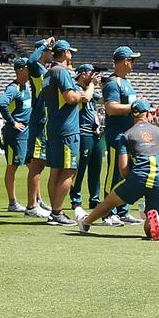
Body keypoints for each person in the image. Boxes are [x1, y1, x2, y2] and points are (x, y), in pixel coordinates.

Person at [76, 100, 159, 241]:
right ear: (148, 114)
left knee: (109, 202)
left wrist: (133, 184)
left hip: (139, 178)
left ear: (132, 116)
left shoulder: (127, 135)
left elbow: (123, 168)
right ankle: (151, 220)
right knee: (150, 232)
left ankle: (85, 222)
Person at [41, 42, 96, 225]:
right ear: (65, 53)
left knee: (55, 170)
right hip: (67, 129)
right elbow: (71, 98)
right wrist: (87, 91)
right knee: (69, 170)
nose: (71, 55)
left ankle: (54, 211)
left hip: (54, 127)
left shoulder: (49, 72)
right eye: (70, 52)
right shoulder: (62, 72)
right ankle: (57, 212)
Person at [102, 46, 144, 226]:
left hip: (128, 136)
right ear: (125, 61)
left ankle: (122, 210)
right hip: (117, 135)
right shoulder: (113, 83)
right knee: (114, 175)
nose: (133, 63)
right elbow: (111, 108)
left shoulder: (126, 82)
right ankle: (106, 213)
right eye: (132, 60)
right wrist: (135, 107)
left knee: (128, 174)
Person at [22, 37, 57, 219]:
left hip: (45, 120)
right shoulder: (36, 68)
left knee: (40, 164)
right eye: (49, 51)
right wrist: (45, 44)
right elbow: (30, 61)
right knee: (36, 164)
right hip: (39, 120)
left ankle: (36, 201)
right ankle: (31, 206)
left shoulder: (45, 70)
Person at [0, 57, 34, 211]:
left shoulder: (26, 88)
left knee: (32, 166)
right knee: (13, 166)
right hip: (15, 135)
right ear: (20, 70)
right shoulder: (13, 88)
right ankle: (13, 202)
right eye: (27, 67)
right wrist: (13, 122)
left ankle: (36, 200)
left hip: (26, 133)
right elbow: (1, 103)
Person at [71, 66, 105, 212]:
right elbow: (86, 98)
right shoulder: (75, 88)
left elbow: (102, 100)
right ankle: (76, 199)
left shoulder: (90, 89)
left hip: (95, 132)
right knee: (80, 168)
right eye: (92, 73)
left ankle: (95, 199)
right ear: (83, 74)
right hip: (83, 131)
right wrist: (92, 84)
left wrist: (105, 85)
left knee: (96, 168)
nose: (94, 76)